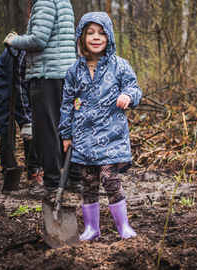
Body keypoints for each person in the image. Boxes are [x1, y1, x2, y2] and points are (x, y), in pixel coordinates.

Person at [58, 12, 142, 240]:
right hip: (83, 136)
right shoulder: (74, 70)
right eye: (90, 33)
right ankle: (92, 229)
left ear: (110, 37)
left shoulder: (120, 66)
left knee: (109, 177)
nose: (96, 37)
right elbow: (66, 103)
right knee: (89, 182)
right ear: (82, 37)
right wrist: (66, 134)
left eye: (102, 33)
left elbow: (135, 89)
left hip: (111, 134)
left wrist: (127, 95)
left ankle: (123, 226)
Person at [3, 0, 83, 195]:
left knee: (46, 132)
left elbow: (38, 40)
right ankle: (75, 179)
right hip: (63, 74)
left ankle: (52, 184)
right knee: (66, 127)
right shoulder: (63, 2)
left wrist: (14, 40)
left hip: (46, 76)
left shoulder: (45, 3)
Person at [0, 48, 42, 182]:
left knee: (31, 125)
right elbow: (17, 87)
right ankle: (8, 168)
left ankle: (33, 169)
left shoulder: (38, 53)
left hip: (19, 90)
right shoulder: (18, 54)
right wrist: (26, 119)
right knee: (8, 128)